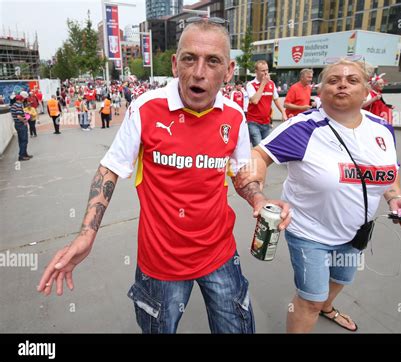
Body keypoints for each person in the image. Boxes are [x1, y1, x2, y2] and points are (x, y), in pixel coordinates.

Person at [37, 18, 290, 334]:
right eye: (189, 59)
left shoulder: (234, 116)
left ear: (228, 71)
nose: (199, 72)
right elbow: (111, 168)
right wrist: (87, 234)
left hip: (220, 254)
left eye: (213, 61)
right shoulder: (145, 108)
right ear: (175, 64)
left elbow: (240, 172)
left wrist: (258, 197)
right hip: (160, 264)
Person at [237, 58, 401, 333]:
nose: (342, 84)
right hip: (310, 234)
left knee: (341, 278)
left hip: (357, 233)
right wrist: (258, 195)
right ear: (320, 92)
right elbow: (256, 156)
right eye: (333, 80)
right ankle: (315, 307)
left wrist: (395, 198)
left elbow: (389, 172)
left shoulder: (383, 129)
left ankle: (327, 307)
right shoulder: (302, 127)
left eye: (352, 80)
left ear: (368, 90)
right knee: (310, 299)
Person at [246, 60, 287, 146]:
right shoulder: (251, 84)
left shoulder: (271, 84)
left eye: (267, 70)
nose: (265, 73)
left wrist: (283, 112)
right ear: (256, 71)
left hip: (266, 122)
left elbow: (275, 99)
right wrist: (263, 84)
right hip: (253, 122)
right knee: (258, 146)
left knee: (267, 148)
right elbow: (255, 100)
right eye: (263, 71)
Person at [10, 94, 33, 161]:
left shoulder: (13, 105)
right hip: (21, 124)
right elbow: (19, 116)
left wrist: (25, 115)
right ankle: (22, 156)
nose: (23, 100)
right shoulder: (19, 105)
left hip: (17, 124)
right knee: (24, 140)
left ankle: (24, 154)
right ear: (21, 99)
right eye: (23, 99)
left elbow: (18, 115)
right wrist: (24, 121)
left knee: (21, 140)